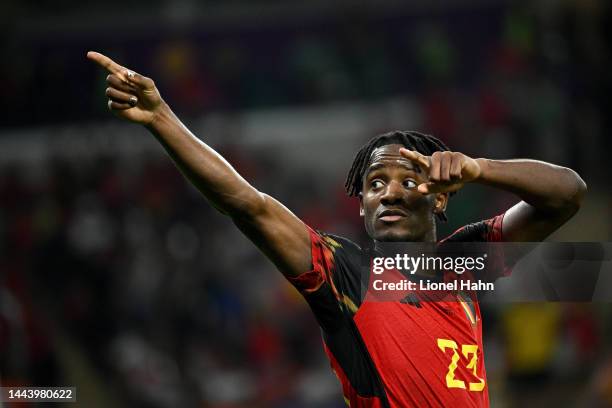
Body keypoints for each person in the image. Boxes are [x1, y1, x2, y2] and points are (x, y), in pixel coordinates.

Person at [87, 51, 587, 407]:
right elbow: (250, 206)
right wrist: (163, 120)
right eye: (374, 183)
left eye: (407, 179)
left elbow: (566, 193)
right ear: (364, 206)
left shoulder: (463, 264)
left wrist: (481, 168)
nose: (389, 192)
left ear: (439, 197)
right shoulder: (345, 271)